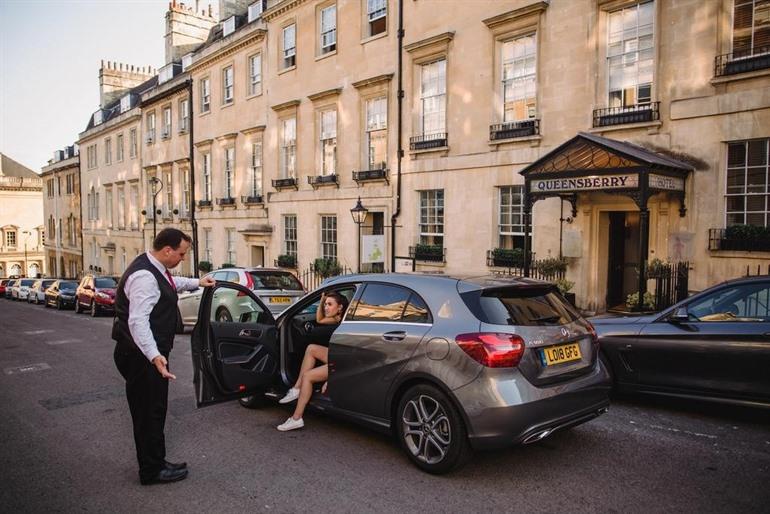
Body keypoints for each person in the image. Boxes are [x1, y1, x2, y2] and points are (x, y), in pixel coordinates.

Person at [112, 228, 215, 485]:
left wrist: (197, 283)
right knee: (149, 413)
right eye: (181, 254)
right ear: (167, 250)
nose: (183, 258)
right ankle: (151, 470)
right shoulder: (145, 277)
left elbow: (171, 283)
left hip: (146, 355)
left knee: (155, 409)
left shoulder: (155, 268)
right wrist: (155, 356)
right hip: (141, 357)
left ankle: (157, 460)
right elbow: (138, 322)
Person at [276, 291, 348, 431]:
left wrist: (331, 379)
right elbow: (320, 320)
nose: (326, 307)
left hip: (344, 361)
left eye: (329, 304)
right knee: (311, 348)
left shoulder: (345, 321)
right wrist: (321, 301)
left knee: (308, 376)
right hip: (338, 358)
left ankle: (296, 418)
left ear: (340, 307)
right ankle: (296, 388)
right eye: (326, 304)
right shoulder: (338, 319)